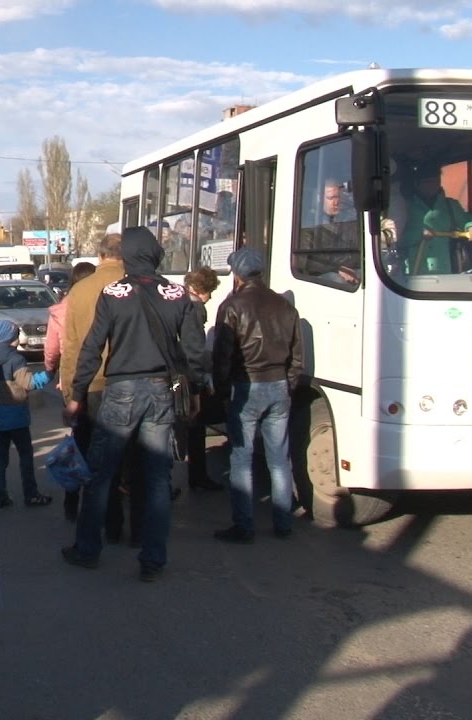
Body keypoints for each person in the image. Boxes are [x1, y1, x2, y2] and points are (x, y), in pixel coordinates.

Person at [62, 226, 207, 583]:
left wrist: (77, 394)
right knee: (157, 477)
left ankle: (87, 549)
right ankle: (153, 558)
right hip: (161, 390)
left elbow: (92, 348)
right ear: (156, 253)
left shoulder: (114, 293)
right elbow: (194, 349)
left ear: (127, 254)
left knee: (101, 473)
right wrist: (199, 388)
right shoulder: (177, 295)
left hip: (121, 390)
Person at [211, 247, 304, 543]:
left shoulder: (232, 306)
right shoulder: (285, 305)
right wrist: (287, 384)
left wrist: (223, 392)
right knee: (279, 459)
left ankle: (244, 525)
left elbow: (222, 356)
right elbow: (296, 355)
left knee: (241, 458)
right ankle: (283, 521)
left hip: (246, 385)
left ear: (237, 275)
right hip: (278, 385)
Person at [58, 235, 139, 538]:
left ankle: (100, 524)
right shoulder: (137, 284)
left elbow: (72, 347)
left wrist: (70, 394)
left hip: (90, 385)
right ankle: (133, 530)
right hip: (132, 381)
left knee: (93, 458)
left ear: (100, 255)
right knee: (130, 457)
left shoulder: (80, 290)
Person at [0, 319, 53, 509]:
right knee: (25, 456)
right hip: (17, 417)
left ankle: (0, 495)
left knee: (0, 458)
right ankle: (31, 494)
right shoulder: (16, 359)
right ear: (11, 338)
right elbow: (29, 383)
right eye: (16, 335)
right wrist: (48, 374)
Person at [182, 266, 224, 492]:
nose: (210, 298)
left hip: (171, 373)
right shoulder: (196, 307)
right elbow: (195, 350)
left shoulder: (176, 297)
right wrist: (199, 383)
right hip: (187, 376)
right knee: (195, 427)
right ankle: (197, 477)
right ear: (201, 289)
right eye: (210, 292)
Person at [396, 165, 472, 275]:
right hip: (413, 273)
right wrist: (419, 235)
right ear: (417, 184)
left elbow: (467, 221)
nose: (433, 185)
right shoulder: (405, 206)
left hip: (445, 270)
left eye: (436, 181)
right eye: (427, 182)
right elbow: (396, 240)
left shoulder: (451, 205)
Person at [43, 261, 95, 390]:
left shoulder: (60, 311)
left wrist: (50, 368)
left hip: (71, 371)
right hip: (101, 372)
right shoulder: (105, 303)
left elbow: (52, 348)